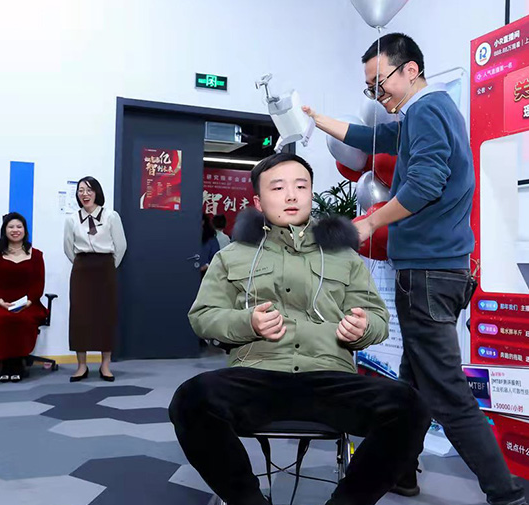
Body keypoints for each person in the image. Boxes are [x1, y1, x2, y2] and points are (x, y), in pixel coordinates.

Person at [303, 34, 528, 504]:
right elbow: (371, 138)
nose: (376, 94)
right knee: (412, 386)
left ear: (410, 70)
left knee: (447, 395)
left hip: (428, 271)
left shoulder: (426, 111)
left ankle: (507, 496)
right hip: (436, 270)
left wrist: (369, 223)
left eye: (379, 83)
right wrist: (316, 119)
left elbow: (425, 183)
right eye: (369, 88)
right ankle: (402, 472)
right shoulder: (423, 114)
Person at [169, 153, 427, 505]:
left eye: (301, 186)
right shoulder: (232, 255)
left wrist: (363, 328)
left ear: (311, 194)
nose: (291, 195)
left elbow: (377, 319)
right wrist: (247, 322)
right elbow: (203, 316)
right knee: (190, 400)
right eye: (278, 188)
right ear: (258, 201)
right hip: (257, 374)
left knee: (410, 407)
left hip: (329, 378)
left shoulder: (344, 256)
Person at [63, 176, 126, 382]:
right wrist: (83, 264)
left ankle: (105, 365)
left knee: (105, 315)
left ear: (97, 192)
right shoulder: (72, 219)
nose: (85, 194)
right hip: (82, 269)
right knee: (80, 316)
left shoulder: (111, 216)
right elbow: (68, 248)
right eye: (81, 190)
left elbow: (121, 246)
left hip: (105, 267)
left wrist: (108, 267)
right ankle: (81, 366)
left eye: (89, 190)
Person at [0, 212, 47, 382]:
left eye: (19, 226)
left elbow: (38, 284)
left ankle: (16, 364)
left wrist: (28, 302)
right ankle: (5, 364)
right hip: (1, 303)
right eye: (11, 227)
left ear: (25, 230)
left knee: (22, 319)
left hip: (29, 303)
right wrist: (1, 302)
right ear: (4, 230)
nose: (15, 230)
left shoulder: (36, 255)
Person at [199, 214, 220, 278]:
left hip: (207, 273)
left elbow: (216, 256)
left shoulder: (211, 237)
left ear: (203, 222)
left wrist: (206, 265)